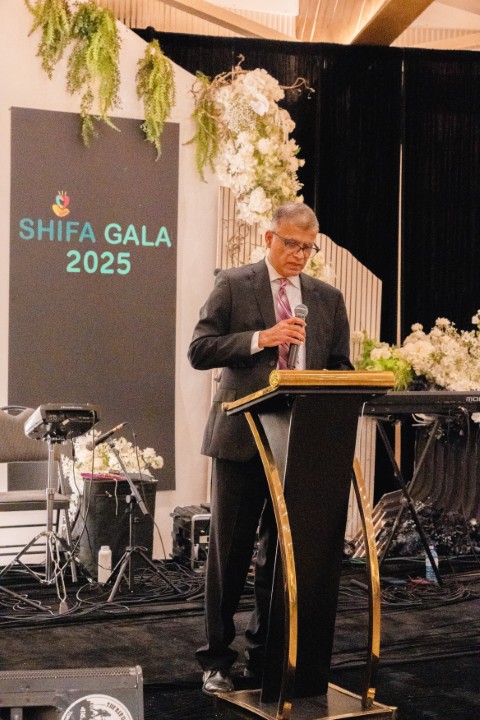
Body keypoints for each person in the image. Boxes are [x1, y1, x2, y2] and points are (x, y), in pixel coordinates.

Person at [187, 202, 353, 696]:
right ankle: (216, 660)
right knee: (230, 556)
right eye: (291, 244)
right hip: (242, 438)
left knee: (280, 559)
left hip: (301, 445)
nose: (299, 255)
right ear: (269, 238)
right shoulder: (234, 284)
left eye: (308, 248)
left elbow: (341, 368)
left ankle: (267, 656)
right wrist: (262, 338)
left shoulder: (327, 299)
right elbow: (200, 349)